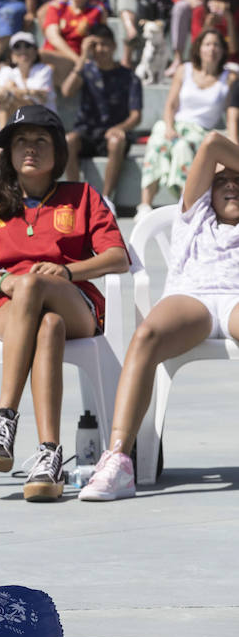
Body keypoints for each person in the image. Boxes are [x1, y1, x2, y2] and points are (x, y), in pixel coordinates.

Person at [0, 105, 129, 500]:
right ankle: (48, 455)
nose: (30, 148)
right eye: (21, 141)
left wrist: (70, 272)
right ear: (7, 152)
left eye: (41, 140)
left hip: (73, 301)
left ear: (59, 151)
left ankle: (4, 416)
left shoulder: (82, 196)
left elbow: (117, 257)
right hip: (3, 308)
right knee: (47, 326)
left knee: (35, 287)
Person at [83, 131, 239, 499]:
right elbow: (213, 142)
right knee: (146, 335)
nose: (231, 186)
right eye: (222, 181)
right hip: (192, 299)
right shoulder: (193, 215)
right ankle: (118, 460)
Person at [139, 29, 234, 214]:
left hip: (200, 131)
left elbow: (231, 113)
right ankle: (144, 205)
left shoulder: (229, 78)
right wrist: (168, 127)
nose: (212, 49)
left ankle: (184, 206)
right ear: (199, 48)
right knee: (158, 141)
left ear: (223, 50)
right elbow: (170, 105)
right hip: (175, 125)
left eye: (216, 45)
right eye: (207, 44)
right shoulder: (184, 70)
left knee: (182, 147)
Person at [60, 24, 140, 203]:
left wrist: (120, 128)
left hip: (113, 134)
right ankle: (75, 198)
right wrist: (82, 57)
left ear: (113, 46)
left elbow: (136, 116)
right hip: (87, 132)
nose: (99, 50)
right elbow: (67, 91)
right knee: (68, 140)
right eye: (94, 45)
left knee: (116, 140)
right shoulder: (86, 71)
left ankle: (106, 199)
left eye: (104, 44)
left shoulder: (128, 76)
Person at [39, 0, 105, 85]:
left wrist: (81, 60)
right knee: (36, 57)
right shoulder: (57, 7)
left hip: (79, 60)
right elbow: (53, 37)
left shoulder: (97, 10)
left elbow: (103, 38)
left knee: (39, 58)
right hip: (60, 57)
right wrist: (76, 60)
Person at [0, 32, 56, 138]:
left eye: (28, 46)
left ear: (35, 51)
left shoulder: (44, 70)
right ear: (12, 54)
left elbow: (40, 100)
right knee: (6, 98)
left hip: (40, 125)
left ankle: (3, 141)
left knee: (7, 97)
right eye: (17, 47)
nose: (23, 50)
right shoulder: (6, 71)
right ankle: (3, 141)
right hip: (15, 125)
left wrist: (11, 90)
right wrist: (26, 92)